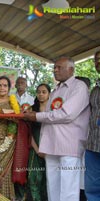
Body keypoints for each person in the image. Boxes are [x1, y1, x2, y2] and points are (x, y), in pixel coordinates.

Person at [24, 56, 90, 201]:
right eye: (54, 67)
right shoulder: (55, 91)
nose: (55, 70)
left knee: (68, 189)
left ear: (71, 69)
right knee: (52, 187)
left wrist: (37, 116)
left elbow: (67, 114)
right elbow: (49, 119)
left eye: (59, 67)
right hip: (52, 145)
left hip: (69, 146)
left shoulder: (79, 87)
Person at [26, 83, 51, 201]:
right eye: (39, 92)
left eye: (44, 92)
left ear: (49, 94)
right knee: (33, 177)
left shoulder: (54, 111)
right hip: (35, 148)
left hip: (51, 150)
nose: (41, 94)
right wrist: (37, 150)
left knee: (48, 179)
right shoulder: (31, 110)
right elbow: (28, 132)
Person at [85, 50, 100, 201]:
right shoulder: (95, 89)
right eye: (96, 60)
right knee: (92, 188)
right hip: (93, 145)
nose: (98, 62)